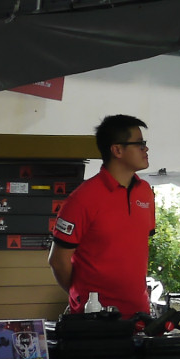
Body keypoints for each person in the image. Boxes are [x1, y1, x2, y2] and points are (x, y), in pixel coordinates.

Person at [49, 114, 157, 318]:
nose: (146, 149)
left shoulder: (145, 192)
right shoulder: (82, 198)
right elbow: (58, 261)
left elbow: (137, 250)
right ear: (117, 150)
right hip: (95, 319)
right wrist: (81, 298)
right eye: (139, 144)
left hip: (138, 314)